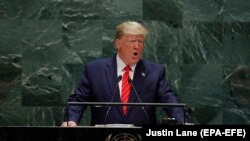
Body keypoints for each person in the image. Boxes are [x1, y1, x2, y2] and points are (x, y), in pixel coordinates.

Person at [61, 21, 185, 127]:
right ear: (118, 44)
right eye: (132, 41)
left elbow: (169, 100)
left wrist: (182, 122)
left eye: (140, 42)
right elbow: (78, 99)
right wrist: (71, 120)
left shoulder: (155, 71)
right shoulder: (95, 69)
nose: (137, 46)